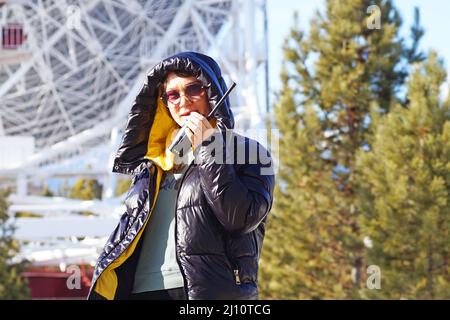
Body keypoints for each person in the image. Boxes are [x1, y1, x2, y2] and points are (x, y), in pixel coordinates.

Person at [88, 52, 275, 300]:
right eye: (173, 95)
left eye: (193, 89)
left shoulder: (248, 153)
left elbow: (240, 217)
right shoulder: (154, 164)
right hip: (140, 291)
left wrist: (210, 147)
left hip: (205, 293)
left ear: (212, 92)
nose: (183, 101)